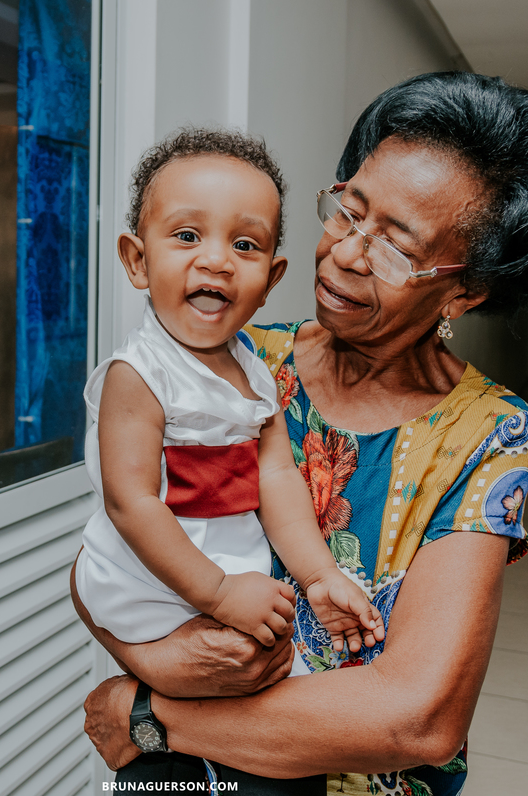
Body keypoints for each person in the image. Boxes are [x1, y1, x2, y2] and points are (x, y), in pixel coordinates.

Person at [76, 71, 528, 796]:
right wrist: (157, 659)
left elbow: (418, 718)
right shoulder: (239, 359)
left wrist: (148, 712)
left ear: (466, 290)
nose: (349, 254)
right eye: (347, 212)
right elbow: (106, 550)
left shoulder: (488, 431)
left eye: (396, 248)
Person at [76, 128, 385, 699]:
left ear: (269, 280)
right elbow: (131, 503)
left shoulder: (253, 370)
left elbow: (275, 477)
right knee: (231, 704)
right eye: (188, 235)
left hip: (230, 579)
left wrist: (320, 576)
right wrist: (218, 593)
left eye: (245, 245)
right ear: (136, 260)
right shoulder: (137, 376)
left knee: (265, 693)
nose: (217, 260)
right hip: (154, 582)